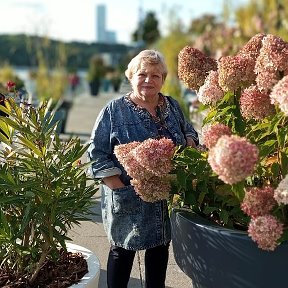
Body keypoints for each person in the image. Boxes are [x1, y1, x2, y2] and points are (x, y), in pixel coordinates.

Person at [87, 49, 199, 288]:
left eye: (155, 76)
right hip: (129, 197)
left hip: (164, 200)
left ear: (163, 80)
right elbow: (95, 153)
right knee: (123, 250)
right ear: (131, 76)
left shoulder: (172, 106)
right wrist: (120, 187)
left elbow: (189, 130)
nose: (148, 80)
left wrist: (189, 141)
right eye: (142, 74)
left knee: (159, 250)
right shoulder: (114, 110)